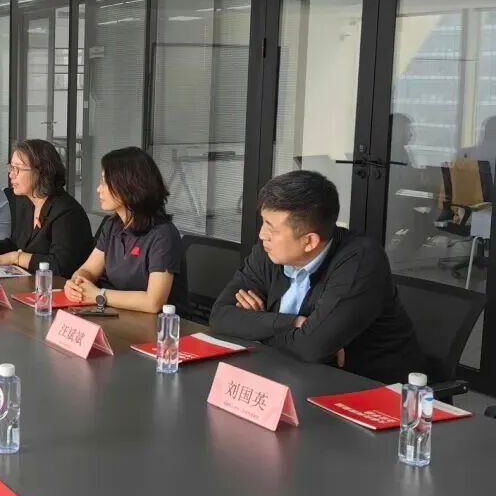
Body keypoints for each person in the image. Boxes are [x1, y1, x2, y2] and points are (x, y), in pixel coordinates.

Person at [210, 170, 424, 384]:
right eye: (264, 222)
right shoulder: (269, 251)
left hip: (365, 387)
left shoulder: (361, 260)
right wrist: (292, 323)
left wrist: (256, 326)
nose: (262, 235)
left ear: (309, 241)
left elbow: (311, 348)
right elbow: (220, 317)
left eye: (272, 228)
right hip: (288, 374)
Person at [63, 147, 185, 313]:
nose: (99, 189)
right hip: (120, 316)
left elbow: (153, 302)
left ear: (129, 185)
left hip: (162, 325)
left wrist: (99, 294)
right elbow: (89, 270)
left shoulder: (163, 235)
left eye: (105, 182)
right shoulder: (112, 225)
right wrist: (77, 283)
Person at [0, 139, 92, 278]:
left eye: (18, 169)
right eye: (11, 167)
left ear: (41, 172)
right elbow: (16, 243)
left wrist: (15, 258)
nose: (11, 175)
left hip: (55, 287)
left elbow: (60, 266)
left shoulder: (67, 212)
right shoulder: (26, 202)